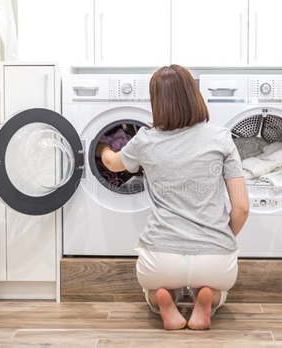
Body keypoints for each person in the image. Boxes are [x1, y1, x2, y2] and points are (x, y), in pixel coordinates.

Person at [96, 65, 249, 330]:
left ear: (157, 102)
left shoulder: (145, 140)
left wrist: (100, 145)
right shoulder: (221, 138)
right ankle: (207, 300)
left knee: (155, 290)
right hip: (215, 260)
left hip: (160, 257)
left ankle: (163, 300)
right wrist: (219, 239)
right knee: (215, 289)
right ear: (194, 95)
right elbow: (242, 207)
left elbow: (112, 163)